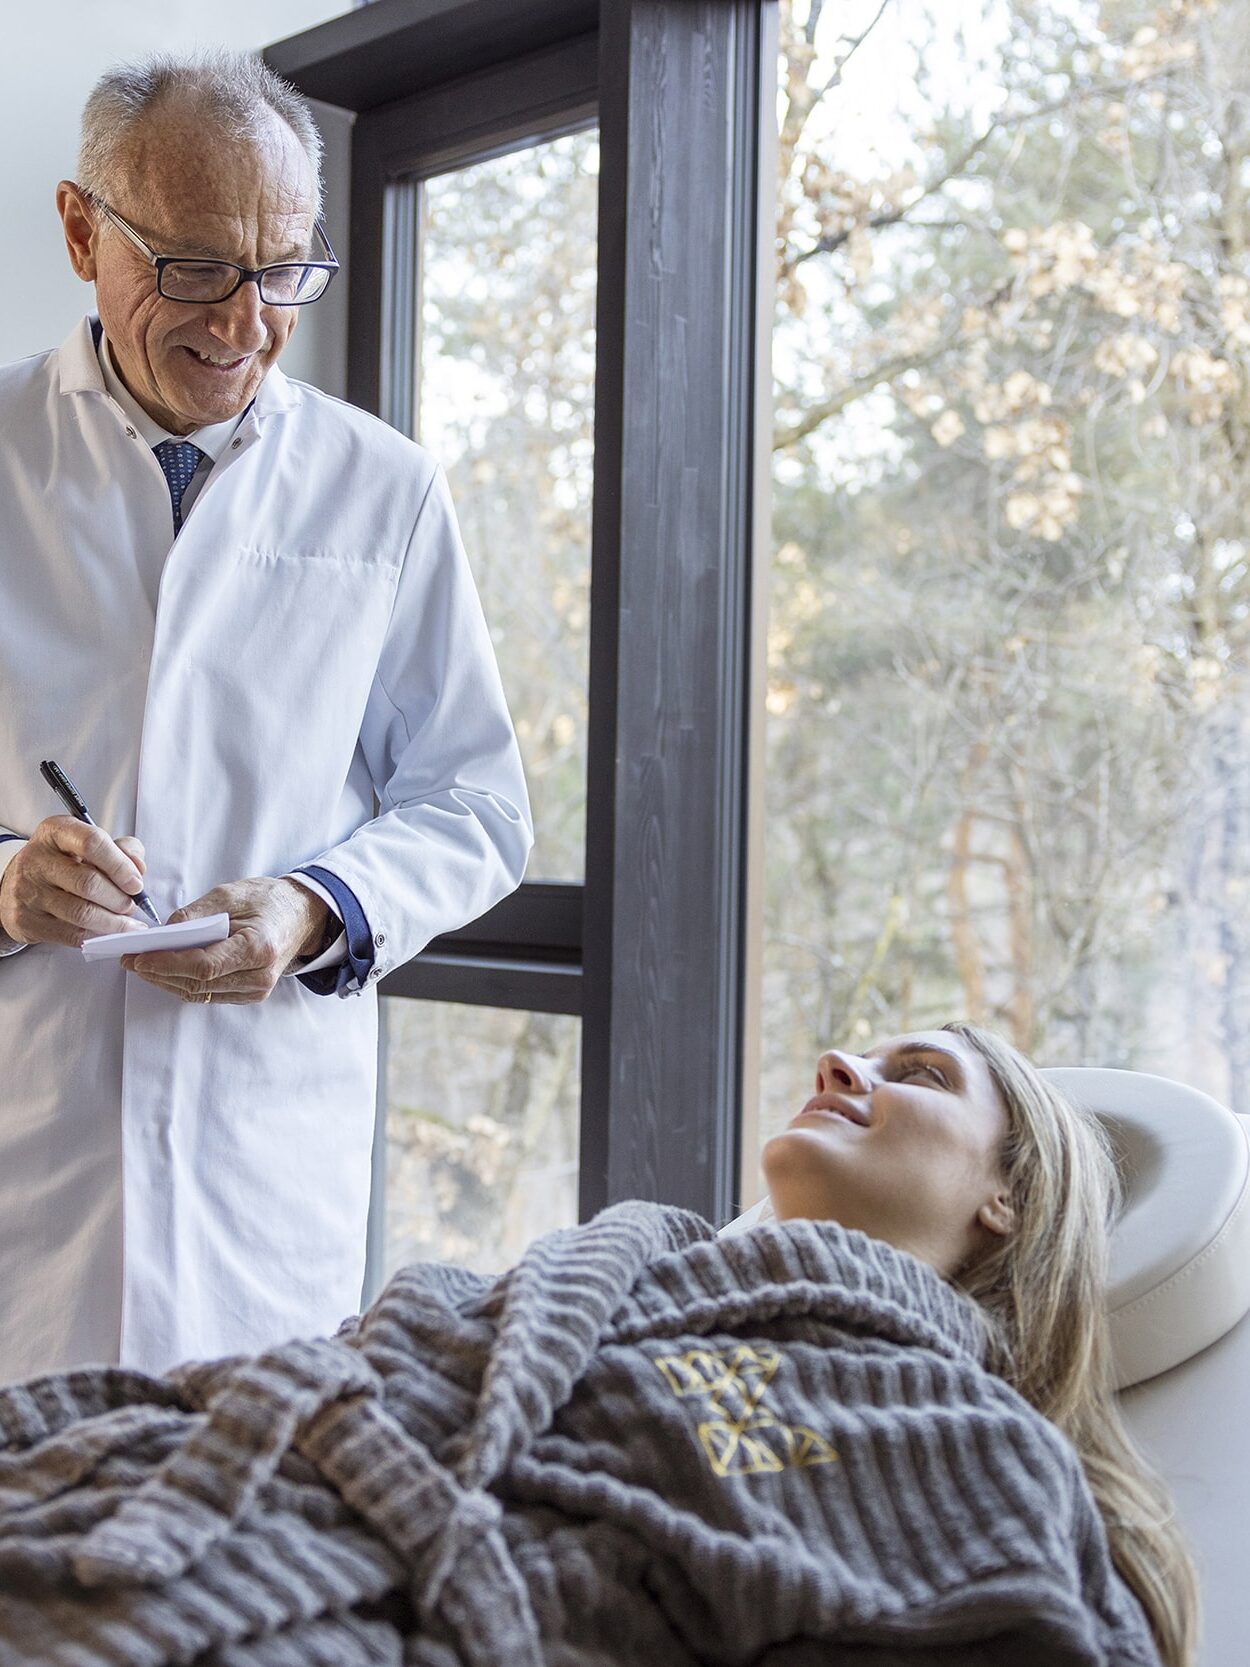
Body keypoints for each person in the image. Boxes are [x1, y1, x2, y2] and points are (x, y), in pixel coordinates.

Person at [0, 1025, 1199, 1667]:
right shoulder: (620, 1272)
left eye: (917, 1072)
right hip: (148, 1505)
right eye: (859, 1050)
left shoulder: (956, 1438)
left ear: (1005, 1197)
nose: (843, 1063)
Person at [0, 52, 532, 1381]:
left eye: (284, 269)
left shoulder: (382, 488)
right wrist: (9, 887)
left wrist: (312, 907)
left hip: (259, 1170)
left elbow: (475, 803)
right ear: (81, 232)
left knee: (244, 1494)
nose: (244, 319)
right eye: (193, 268)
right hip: (27, 1157)